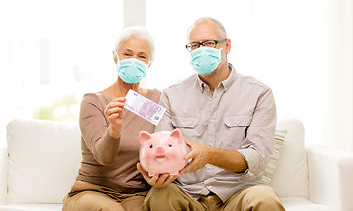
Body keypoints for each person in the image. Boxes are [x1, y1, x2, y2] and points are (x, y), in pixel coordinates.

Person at [138, 17, 285, 211]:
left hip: (237, 194)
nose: (201, 50)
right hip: (187, 194)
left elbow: (257, 157)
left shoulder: (259, 93)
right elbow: (161, 148)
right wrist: (157, 174)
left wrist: (210, 155)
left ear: (227, 46)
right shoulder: (172, 94)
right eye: (195, 45)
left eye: (209, 43)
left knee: (266, 198)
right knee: (159, 195)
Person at [62, 27, 161, 211]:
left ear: (150, 63)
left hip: (135, 194)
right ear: (115, 57)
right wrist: (114, 129)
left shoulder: (155, 100)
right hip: (92, 191)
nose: (134, 61)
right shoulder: (93, 101)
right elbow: (104, 157)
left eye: (142, 56)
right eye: (127, 54)